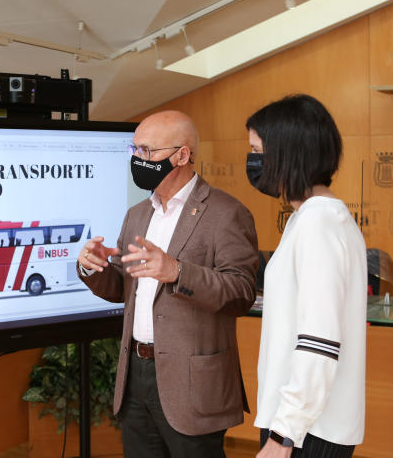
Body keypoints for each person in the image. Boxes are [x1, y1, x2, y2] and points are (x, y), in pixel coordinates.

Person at [78, 110, 258, 457]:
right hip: (136, 378)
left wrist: (177, 271)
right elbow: (122, 288)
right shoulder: (138, 214)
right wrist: (94, 267)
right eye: (134, 150)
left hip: (193, 385)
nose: (137, 159)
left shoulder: (225, 213)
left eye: (147, 151)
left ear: (183, 155)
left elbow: (241, 293)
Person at [245, 94, 366, 458]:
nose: (253, 162)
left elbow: (320, 340)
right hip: (304, 423)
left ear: (287, 153)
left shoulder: (318, 222)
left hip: (306, 430)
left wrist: (283, 435)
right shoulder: (314, 217)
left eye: (257, 151)